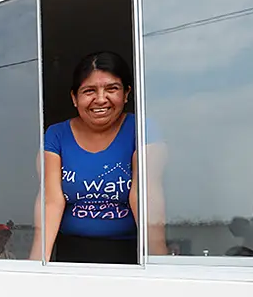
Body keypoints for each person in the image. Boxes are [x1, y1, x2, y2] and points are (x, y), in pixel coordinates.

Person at [29, 51, 167, 264]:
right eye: (89, 91)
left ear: (127, 93)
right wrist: (36, 266)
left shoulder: (141, 129)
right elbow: (51, 202)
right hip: (71, 252)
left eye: (112, 89)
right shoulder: (56, 135)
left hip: (130, 253)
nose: (101, 99)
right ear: (74, 98)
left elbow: (145, 197)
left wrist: (160, 265)